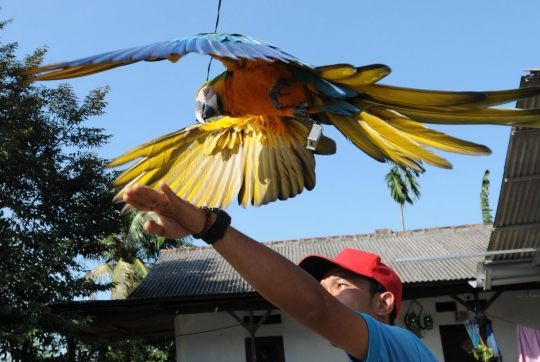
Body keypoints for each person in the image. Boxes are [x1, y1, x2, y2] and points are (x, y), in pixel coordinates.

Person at [123, 182, 438, 361]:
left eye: (340, 285)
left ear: (383, 303)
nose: (326, 294)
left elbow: (315, 307)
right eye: (323, 287)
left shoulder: (401, 345)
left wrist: (209, 227)